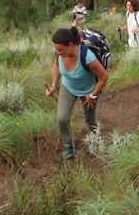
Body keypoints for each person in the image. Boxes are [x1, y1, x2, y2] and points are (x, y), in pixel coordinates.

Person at [45, 26, 108, 160]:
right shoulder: (59, 53)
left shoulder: (87, 57)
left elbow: (104, 77)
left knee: (89, 119)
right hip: (67, 87)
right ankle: (69, 147)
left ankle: (95, 143)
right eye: (56, 49)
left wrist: (93, 95)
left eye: (61, 49)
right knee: (62, 119)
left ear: (70, 45)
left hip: (88, 91)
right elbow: (56, 66)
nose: (58, 52)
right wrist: (53, 86)